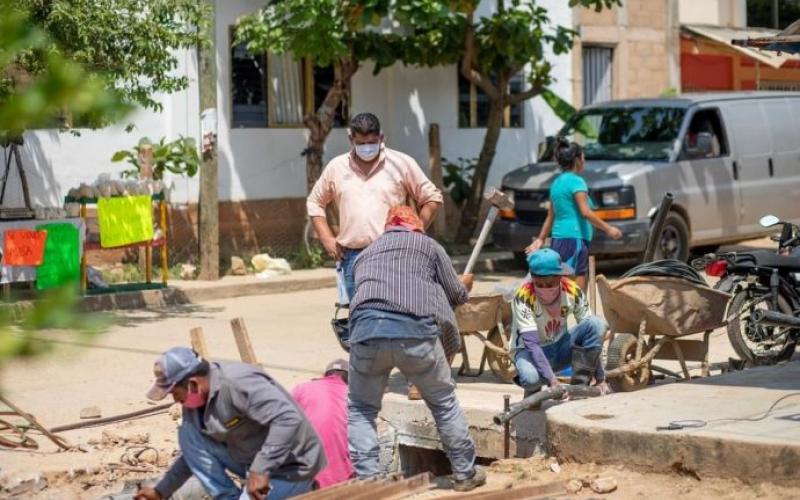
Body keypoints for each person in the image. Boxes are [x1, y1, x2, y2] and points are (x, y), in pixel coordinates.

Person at [346, 206, 486, 492]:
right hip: (414, 333)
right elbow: (457, 295)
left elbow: (360, 297)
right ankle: (464, 472)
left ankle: (367, 482)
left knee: (361, 409)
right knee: (443, 402)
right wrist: (465, 283)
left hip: (365, 334)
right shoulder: (428, 246)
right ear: (416, 227)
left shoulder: (364, 255)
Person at [134, 347, 325, 500]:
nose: (175, 400)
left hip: (292, 467)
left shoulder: (238, 383)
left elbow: (288, 419)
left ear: (193, 384)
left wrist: (260, 468)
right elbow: (193, 455)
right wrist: (161, 491)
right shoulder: (194, 401)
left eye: (175, 393)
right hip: (252, 463)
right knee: (189, 434)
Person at [306, 112, 443, 300]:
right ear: (351, 139)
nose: (366, 148)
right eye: (360, 143)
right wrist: (327, 238)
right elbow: (315, 202)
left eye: (371, 142)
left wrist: (415, 230)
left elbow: (432, 197)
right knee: (360, 316)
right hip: (352, 257)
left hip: (394, 254)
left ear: (381, 137)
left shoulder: (401, 163)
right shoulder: (336, 167)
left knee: (395, 312)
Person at [510, 249, 611, 396]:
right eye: (539, 284)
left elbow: (593, 336)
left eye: (550, 283)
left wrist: (601, 378)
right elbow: (532, 344)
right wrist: (552, 381)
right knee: (531, 379)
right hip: (530, 352)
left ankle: (579, 387)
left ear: (559, 277)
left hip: (561, 347)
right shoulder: (523, 297)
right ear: (532, 277)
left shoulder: (571, 290)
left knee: (596, 324)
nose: (545, 289)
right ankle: (533, 389)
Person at [526, 139, 622, 290]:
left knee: (561, 279)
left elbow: (550, 216)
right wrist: (609, 229)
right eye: (583, 157)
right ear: (577, 160)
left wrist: (541, 239)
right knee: (579, 276)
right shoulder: (577, 182)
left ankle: (562, 311)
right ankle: (580, 311)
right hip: (575, 238)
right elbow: (586, 213)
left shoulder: (556, 183)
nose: (584, 160)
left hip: (558, 239)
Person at [290, 359, 354, 489]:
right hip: (341, 480)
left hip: (304, 476)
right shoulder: (354, 396)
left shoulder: (302, 388)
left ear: (325, 375)